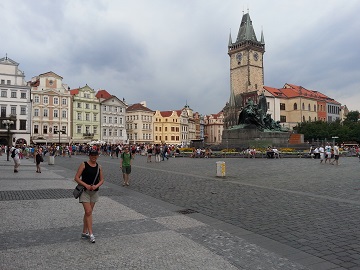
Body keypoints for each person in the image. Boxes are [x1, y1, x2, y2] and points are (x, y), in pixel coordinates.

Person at [74, 149, 104, 243]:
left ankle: (84, 232)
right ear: (89, 156)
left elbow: (102, 180)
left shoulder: (99, 167)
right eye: (92, 155)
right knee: (88, 211)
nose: (94, 157)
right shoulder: (84, 164)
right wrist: (85, 185)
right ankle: (91, 234)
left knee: (88, 213)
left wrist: (96, 186)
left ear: (97, 156)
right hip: (84, 191)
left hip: (94, 192)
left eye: (95, 155)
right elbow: (76, 178)